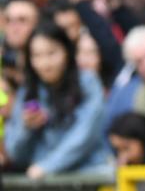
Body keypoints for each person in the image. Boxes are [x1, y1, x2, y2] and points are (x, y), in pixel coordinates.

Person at [4, 21, 109, 177]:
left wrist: (47, 167)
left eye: (51, 53)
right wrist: (25, 127)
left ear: (66, 51)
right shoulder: (28, 92)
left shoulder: (88, 82)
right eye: (36, 56)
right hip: (45, 185)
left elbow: (84, 135)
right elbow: (15, 153)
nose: (44, 63)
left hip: (91, 175)